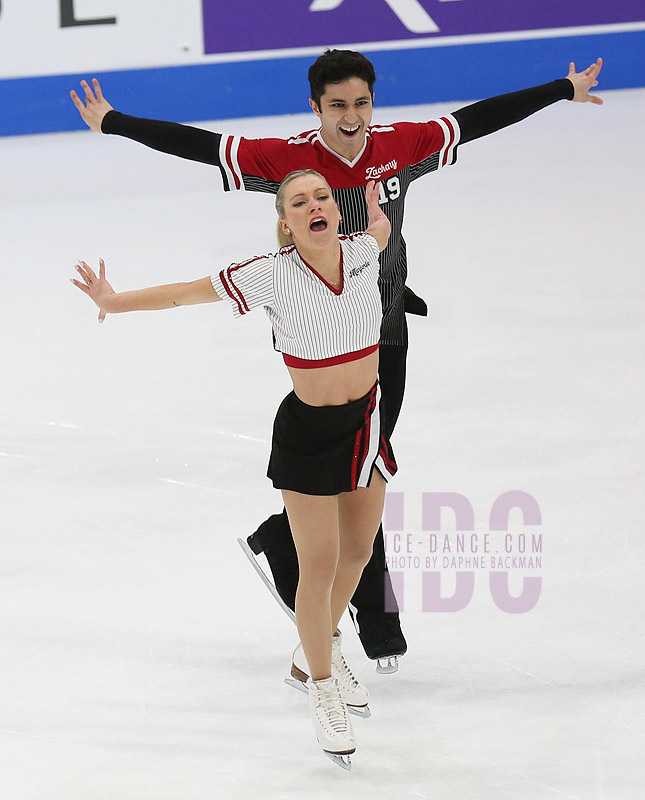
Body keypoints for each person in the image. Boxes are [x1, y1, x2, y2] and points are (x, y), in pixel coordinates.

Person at [70, 50, 604, 670]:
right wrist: (114, 121)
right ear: (315, 107)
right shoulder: (290, 161)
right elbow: (202, 145)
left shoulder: (401, 144)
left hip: (388, 331)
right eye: (336, 106)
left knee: (364, 476)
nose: (350, 118)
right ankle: (370, 628)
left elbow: (474, 121)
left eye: (361, 103)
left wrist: (562, 88)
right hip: (321, 339)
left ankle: (298, 558)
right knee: (356, 474)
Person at [71, 169, 392, 769]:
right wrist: (113, 302)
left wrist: (376, 211)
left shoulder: (363, 251)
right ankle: (322, 688)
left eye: (322, 196)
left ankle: (314, 648)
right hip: (308, 437)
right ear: (285, 224)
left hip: (367, 423)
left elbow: (377, 228)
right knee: (318, 566)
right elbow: (186, 293)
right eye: (299, 202)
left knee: (357, 554)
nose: (314, 205)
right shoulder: (270, 274)